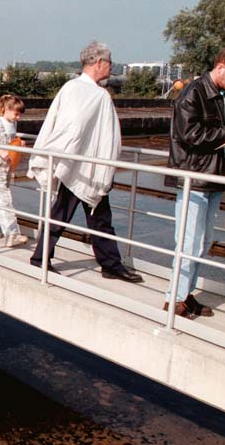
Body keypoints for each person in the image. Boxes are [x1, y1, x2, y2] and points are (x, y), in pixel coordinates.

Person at [28, 41, 143, 283]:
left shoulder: (70, 88)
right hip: (83, 166)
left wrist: (61, 154)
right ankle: (108, 264)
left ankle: (105, 263)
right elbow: (87, 131)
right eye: (109, 63)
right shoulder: (97, 96)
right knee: (85, 217)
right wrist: (86, 159)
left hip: (75, 164)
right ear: (99, 63)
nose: (111, 67)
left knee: (86, 217)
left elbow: (65, 127)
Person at [163, 45, 225, 318]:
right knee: (189, 242)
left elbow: (221, 137)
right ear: (221, 68)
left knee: (203, 242)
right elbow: (191, 136)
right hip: (195, 177)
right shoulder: (192, 94)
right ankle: (174, 299)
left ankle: (186, 295)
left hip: (214, 176)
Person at [0, 94, 29, 247]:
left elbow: (11, 142)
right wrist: (1, 152)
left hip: (7, 165)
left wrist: (19, 144)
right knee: (4, 198)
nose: (18, 117)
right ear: (7, 110)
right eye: (16, 113)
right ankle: (12, 233)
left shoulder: (12, 125)